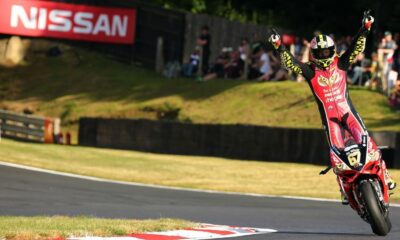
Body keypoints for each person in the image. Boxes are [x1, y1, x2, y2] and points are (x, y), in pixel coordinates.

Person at [268, 11, 396, 204]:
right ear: (313, 54)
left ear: (333, 50)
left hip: (348, 113)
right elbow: (291, 63)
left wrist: (365, 28)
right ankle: (344, 189)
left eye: (327, 51)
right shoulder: (310, 71)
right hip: (330, 120)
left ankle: (386, 176)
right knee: (336, 153)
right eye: (320, 53)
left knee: (369, 143)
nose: (324, 55)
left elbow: (355, 48)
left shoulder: (341, 63)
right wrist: (279, 46)